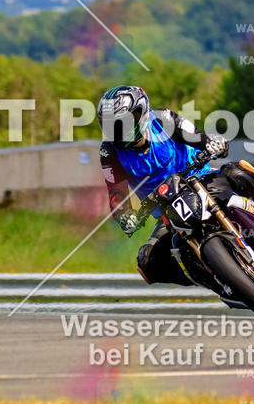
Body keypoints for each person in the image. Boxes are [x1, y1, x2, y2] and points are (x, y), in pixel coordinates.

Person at [97, 85, 228, 286]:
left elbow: (199, 138)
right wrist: (124, 215)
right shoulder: (109, 153)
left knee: (237, 172)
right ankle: (212, 280)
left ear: (139, 114)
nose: (117, 131)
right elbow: (116, 194)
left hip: (201, 181)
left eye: (122, 123)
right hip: (168, 210)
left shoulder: (163, 119)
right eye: (111, 126)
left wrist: (213, 143)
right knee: (148, 262)